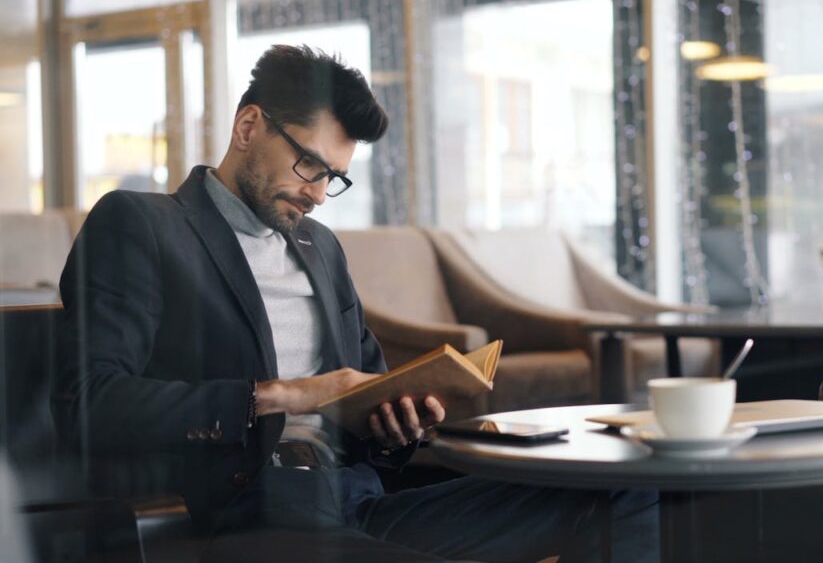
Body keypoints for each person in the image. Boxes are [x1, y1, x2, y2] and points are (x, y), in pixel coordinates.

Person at [53, 45, 657, 562]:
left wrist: (391, 419)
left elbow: (361, 389)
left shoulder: (321, 249)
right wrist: (281, 394)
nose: (318, 194)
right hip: (253, 513)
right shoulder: (142, 225)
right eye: (309, 164)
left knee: (627, 492)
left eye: (333, 177)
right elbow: (89, 404)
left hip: (358, 500)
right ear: (247, 127)